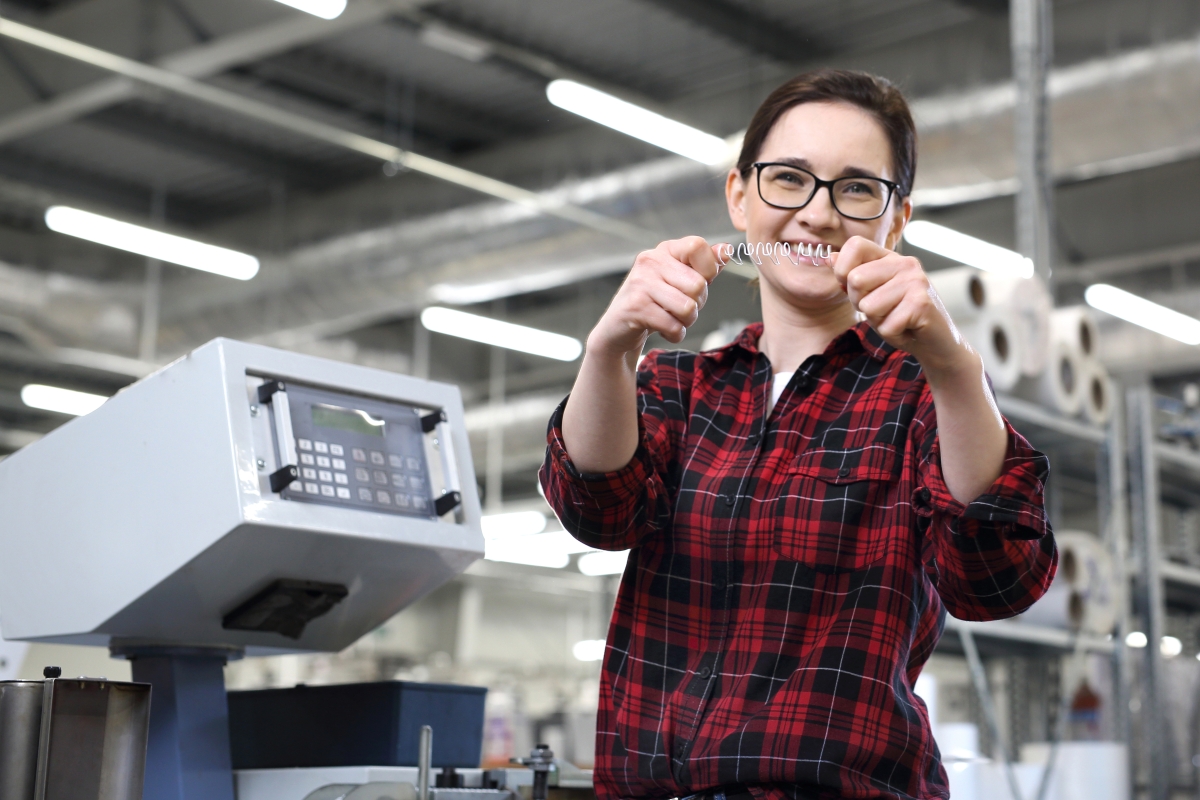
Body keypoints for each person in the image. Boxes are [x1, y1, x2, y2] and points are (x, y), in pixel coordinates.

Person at [539, 69, 1056, 800]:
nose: (816, 214)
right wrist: (610, 349)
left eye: (854, 189)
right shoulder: (679, 390)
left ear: (895, 218)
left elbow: (993, 579)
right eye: (790, 179)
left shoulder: (919, 395)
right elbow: (598, 511)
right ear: (740, 196)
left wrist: (951, 362)